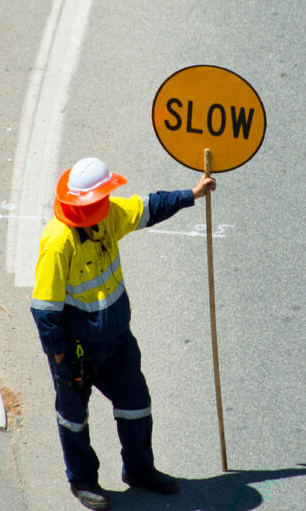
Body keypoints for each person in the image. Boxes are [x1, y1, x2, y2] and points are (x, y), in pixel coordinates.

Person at [30, 156, 217, 510]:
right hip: (77, 350)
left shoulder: (107, 215)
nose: (102, 206)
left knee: (136, 404)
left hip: (117, 342)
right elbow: (44, 309)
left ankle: (139, 470)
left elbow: (148, 206)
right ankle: (83, 479)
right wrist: (60, 358)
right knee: (73, 417)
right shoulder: (57, 242)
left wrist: (191, 194)